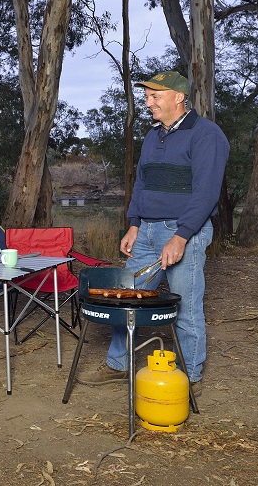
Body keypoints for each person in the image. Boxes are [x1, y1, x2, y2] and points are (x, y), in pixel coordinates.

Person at [78, 71, 229, 387]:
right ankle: (118, 365)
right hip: (146, 231)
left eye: (154, 97)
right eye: (146, 97)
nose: (148, 103)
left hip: (183, 232)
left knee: (185, 308)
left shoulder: (206, 135)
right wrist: (133, 225)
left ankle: (189, 379)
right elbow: (141, 183)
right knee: (127, 299)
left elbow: (206, 193)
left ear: (178, 97)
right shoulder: (152, 135)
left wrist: (181, 236)